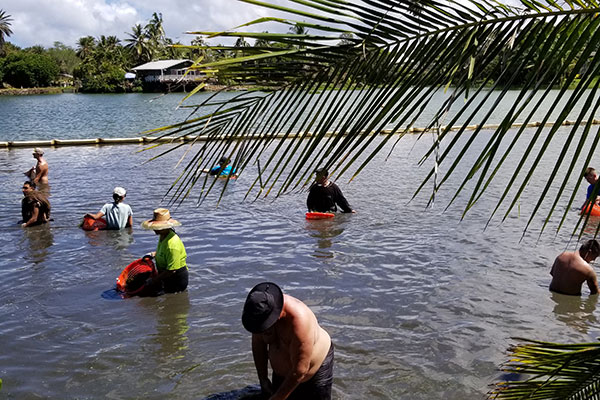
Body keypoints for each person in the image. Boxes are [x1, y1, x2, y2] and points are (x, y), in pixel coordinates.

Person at [242, 282, 334, 400]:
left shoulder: (300, 321)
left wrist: (278, 397)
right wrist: (263, 379)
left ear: (277, 315)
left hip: (313, 372)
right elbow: (258, 345)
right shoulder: (258, 312)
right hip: (283, 373)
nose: (261, 332)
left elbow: (300, 370)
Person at [141, 208, 188, 295]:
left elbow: (172, 270)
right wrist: (153, 254)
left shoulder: (172, 245)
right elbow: (165, 252)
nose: (155, 229)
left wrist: (154, 280)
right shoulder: (163, 235)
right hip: (166, 275)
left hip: (176, 279)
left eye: (158, 227)